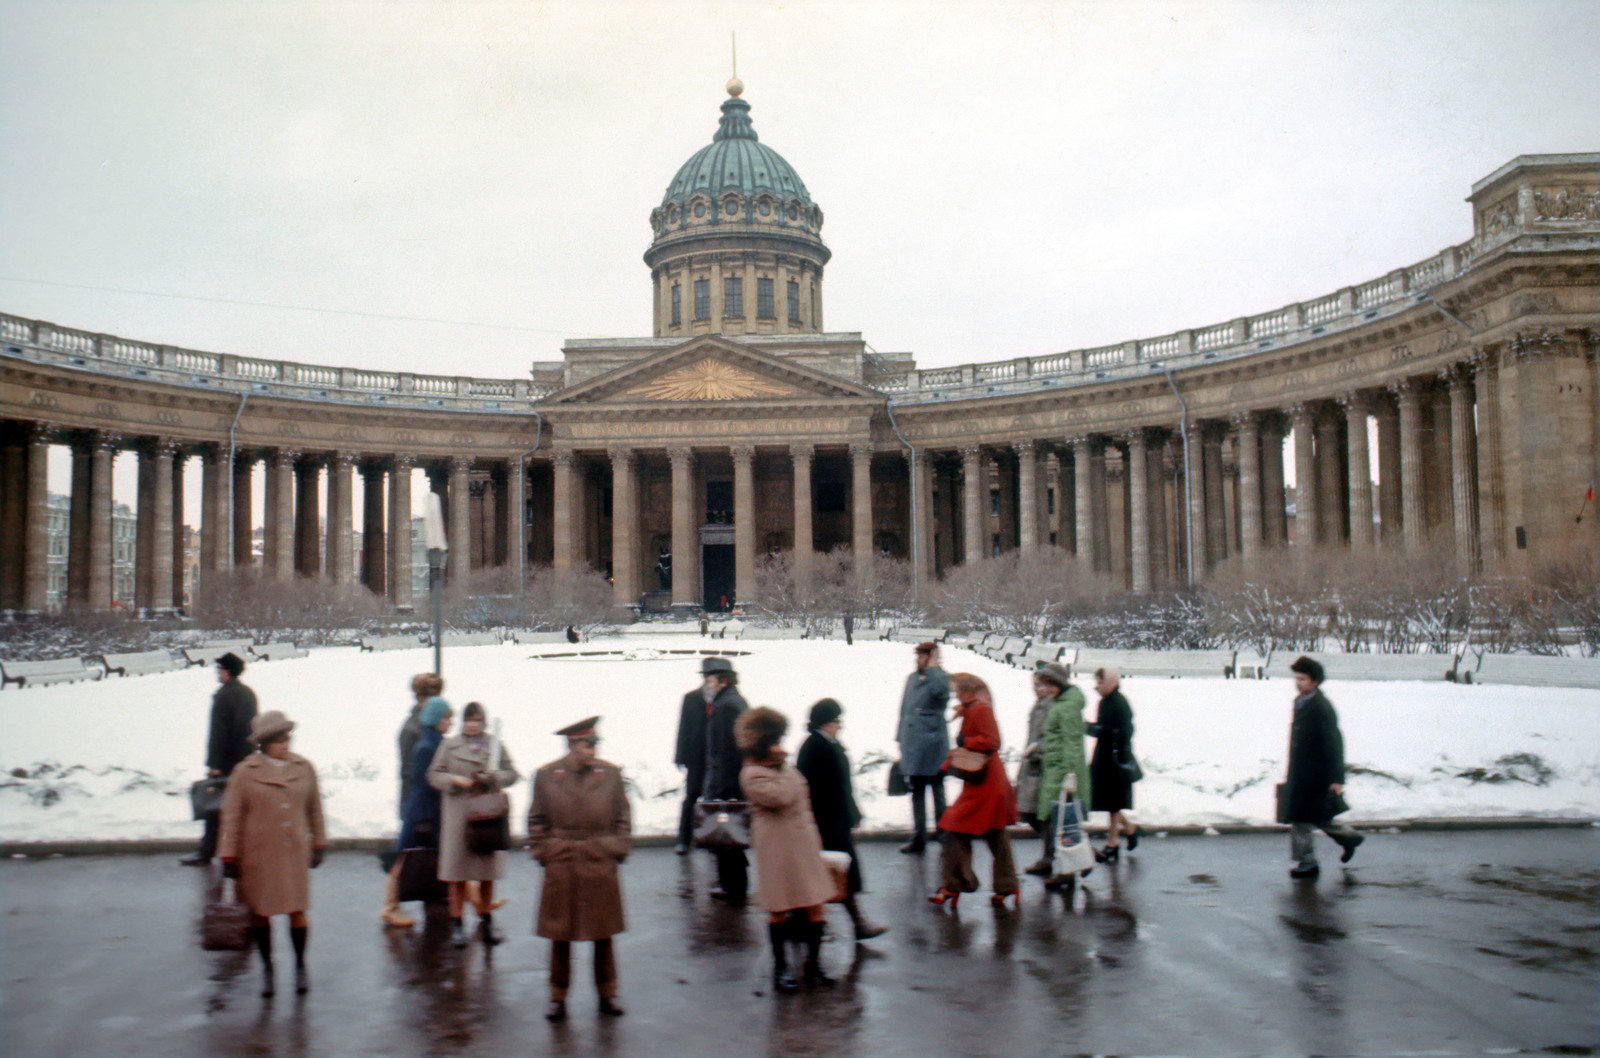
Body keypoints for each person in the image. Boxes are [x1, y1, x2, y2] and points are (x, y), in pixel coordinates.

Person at [217, 710, 327, 998]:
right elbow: (231, 816)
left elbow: (315, 808)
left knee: (297, 911)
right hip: (258, 855)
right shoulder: (244, 773)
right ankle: (268, 969)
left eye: (287, 739)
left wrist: (320, 843)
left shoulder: (304, 768)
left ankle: (300, 966)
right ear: (263, 744)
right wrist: (227, 856)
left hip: (293, 853)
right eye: (278, 741)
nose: (285, 745)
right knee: (261, 914)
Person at [528, 716, 631, 1022]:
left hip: (599, 859)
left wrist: (617, 847)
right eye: (588, 744)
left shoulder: (610, 774)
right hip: (563, 862)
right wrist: (545, 852)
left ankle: (607, 992)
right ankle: (557, 997)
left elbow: (622, 815)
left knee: (603, 933)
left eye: (594, 744)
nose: (593, 750)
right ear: (573, 746)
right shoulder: (547, 775)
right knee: (560, 934)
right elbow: (536, 820)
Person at [738, 707, 838, 993]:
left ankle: (814, 964)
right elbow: (781, 796)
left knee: (815, 902)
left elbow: (803, 799)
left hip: (802, 842)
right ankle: (780, 968)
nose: (779, 747)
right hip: (775, 847)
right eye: (774, 742)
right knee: (779, 907)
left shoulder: (781, 768)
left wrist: (814, 834)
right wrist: (782, 770)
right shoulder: (752, 773)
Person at [428, 701, 520, 947]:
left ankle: (487, 920)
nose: (471, 725)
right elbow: (434, 775)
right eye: (468, 720)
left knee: (485, 874)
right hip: (458, 817)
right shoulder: (449, 745)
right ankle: (457, 924)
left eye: (476, 721)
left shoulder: (494, 745)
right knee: (456, 875)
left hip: (487, 817)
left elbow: (512, 773)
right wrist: (456, 780)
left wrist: (493, 777)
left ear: (483, 723)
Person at [795, 698, 887, 942]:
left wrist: (852, 813)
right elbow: (808, 790)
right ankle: (849, 924)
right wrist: (815, 825)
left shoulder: (830, 744)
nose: (840, 725)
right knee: (833, 874)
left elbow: (844, 786)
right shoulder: (814, 747)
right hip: (824, 823)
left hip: (836, 820)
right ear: (824, 723)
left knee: (836, 873)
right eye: (836, 721)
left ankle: (836, 924)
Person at [929, 673, 1019, 908]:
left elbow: (992, 742)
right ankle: (1007, 885)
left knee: (954, 827)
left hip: (986, 785)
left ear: (968, 689)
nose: (955, 694)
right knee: (994, 834)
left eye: (958, 689)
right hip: (987, 782)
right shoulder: (973, 707)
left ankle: (956, 884)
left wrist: (964, 741)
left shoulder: (979, 709)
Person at [1284, 656, 1363, 878]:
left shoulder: (1322, 706)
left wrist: (1337, 778)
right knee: (1318, 817)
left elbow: (1335, 743)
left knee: (1300, 818)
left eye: (1303, 678)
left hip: (1316, 775)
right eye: (1296, 678)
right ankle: (1349, 837)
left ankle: (1307, 863)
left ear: (1315, 681)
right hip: (1302, 773)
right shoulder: (1301, 701)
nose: (1298, 682)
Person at [180, 652, 258, 867]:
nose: (217, 673)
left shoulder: (223, 696)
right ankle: (242, 851)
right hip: (246, 760)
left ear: (227, 672)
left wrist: (214, 765)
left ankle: (206, 852)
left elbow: (218, 733)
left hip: (225, 763)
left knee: (214, 809)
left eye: (219, 669)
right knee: (240, 808)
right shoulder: (248, 694)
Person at [383, 696, 452, 928]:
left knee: (439, 856)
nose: (450, 722)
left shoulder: (434, 741)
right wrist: (425, 819)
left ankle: (479, 902)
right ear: (436, 719)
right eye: (446, 717)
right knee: (405, 859)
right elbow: (424, 784)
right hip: (422, 813)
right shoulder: (427, 746)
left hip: (425, 811)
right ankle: (390, 908)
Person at [1020, 663, 1089, 878]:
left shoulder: (1065, 706)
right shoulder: (1060, 703)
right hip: (1053, 769)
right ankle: (1069, 864)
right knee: (1057, 822)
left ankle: (1070, 868)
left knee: (1060, 823)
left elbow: (1072, 743)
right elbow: (1056, 739)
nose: (1044, 689)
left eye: (1048, 685)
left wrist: (1069, 774)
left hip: (1059, 771)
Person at [696, 657, 749, 900]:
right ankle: (731, 884)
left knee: (726, 836)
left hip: (726, 785)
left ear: (723, 681)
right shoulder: (733, 701)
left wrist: (717, 791)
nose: (706, 686)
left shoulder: (725, 707)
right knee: (730, 837)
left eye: (709, 681)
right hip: (732, 782)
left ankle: (733, 887)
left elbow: (723, 754)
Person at [896, 642, 950, 854]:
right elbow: (904, 709)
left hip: (933, 741)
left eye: (923, 656)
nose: (918, 660)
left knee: (937, 788)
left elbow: (942, 694)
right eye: (918, 656)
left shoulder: (940, 677)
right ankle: (919, 836)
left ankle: (943, 832)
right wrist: (900, 737)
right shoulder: (911, 678)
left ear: (932, 657)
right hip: (913, 742)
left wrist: (933, 668)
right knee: (916, 790)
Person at [1087, 668, 1140, 862]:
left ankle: (1113, 843)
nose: (1097, 687)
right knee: (1111, 802)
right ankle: (1129, 828)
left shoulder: (1119, 702)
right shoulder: (1106, 702)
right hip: (1106, 758)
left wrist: (1094, 729)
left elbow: (1124, 730)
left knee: (1113, 802)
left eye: (1100, 683)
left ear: (1109, 683)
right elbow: (1106, 729)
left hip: (1116, 759)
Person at [673, 657, 718, 855]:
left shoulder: (723, 698)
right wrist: (680, 755)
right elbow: (683, 728)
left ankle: (712, 838)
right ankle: (684, 839)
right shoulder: (691, 698)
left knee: (715, 799)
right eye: (707, 677)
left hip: (717, 758)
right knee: (691, 796)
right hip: (697, 758)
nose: (710, 681)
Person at [398, 673, 443, 818]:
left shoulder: (437, 725)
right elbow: (408, 773)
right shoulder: (411, 730)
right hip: (419, 808)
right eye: (429, 697)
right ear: (419, 697)